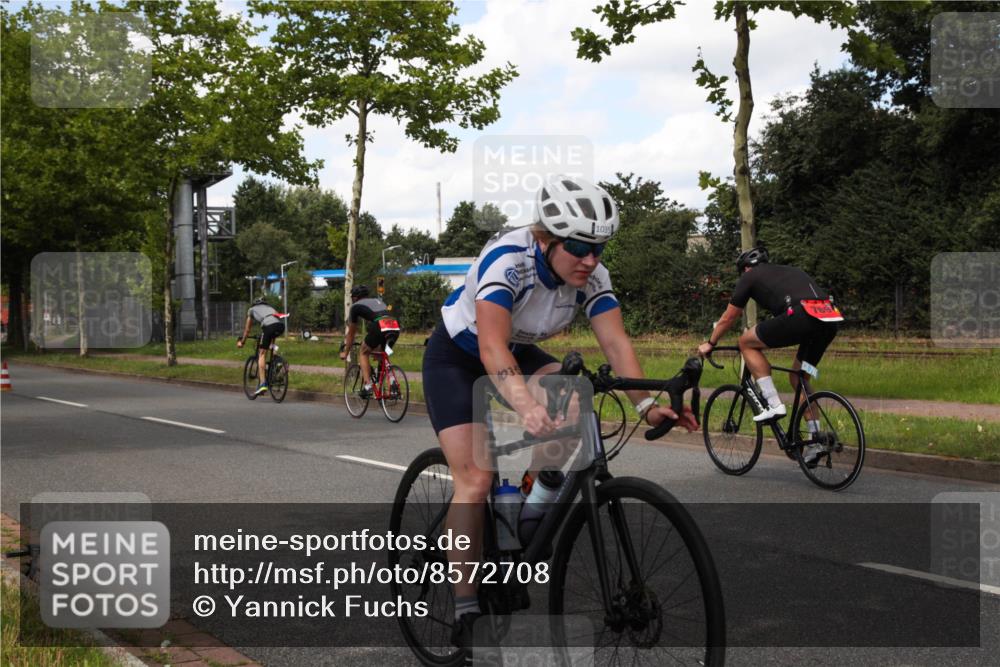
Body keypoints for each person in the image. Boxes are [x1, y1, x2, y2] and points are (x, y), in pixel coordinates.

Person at [422, 175, 698, 652]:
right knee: (476, 479)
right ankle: (467, 609)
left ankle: (532, 511)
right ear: (547, 238)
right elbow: (490, 345)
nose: (590, 260)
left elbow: (614, 341)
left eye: (600, 250)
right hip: (458, 356)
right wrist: (524, 404)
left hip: (517, 350)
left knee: (575, 396)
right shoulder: (509, 259)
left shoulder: (592, 275)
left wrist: (649, 406)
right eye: (579, 248)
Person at [697, 247, 843, 463]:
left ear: (745, 268)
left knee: (746, 342)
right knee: (799, 377)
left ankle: (774, 404)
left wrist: (710, 343)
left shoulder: (749, 276)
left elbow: (729, 317)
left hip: (800, 316)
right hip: (829, 319)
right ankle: (816, 440)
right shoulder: (791, 270)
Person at [338, 285, 400, 396]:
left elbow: (351, 334)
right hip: (394, 326)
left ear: (355, 298)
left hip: (380, 325)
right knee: (384, 353)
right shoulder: (378, 301)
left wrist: (346, 352)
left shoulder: (355, 307)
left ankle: (368, 386)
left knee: (363, 352)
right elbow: (389, 310)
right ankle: (392, 383)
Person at [237, 297, 286, 395]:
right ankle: (277, 363)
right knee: (271, 343)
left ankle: (263, 384)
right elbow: (278, 317)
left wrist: (242, 342)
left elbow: (247, 329)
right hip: (280, 326)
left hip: (268, 327)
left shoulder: (251, 310)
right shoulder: (270, 308)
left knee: (262, 353)